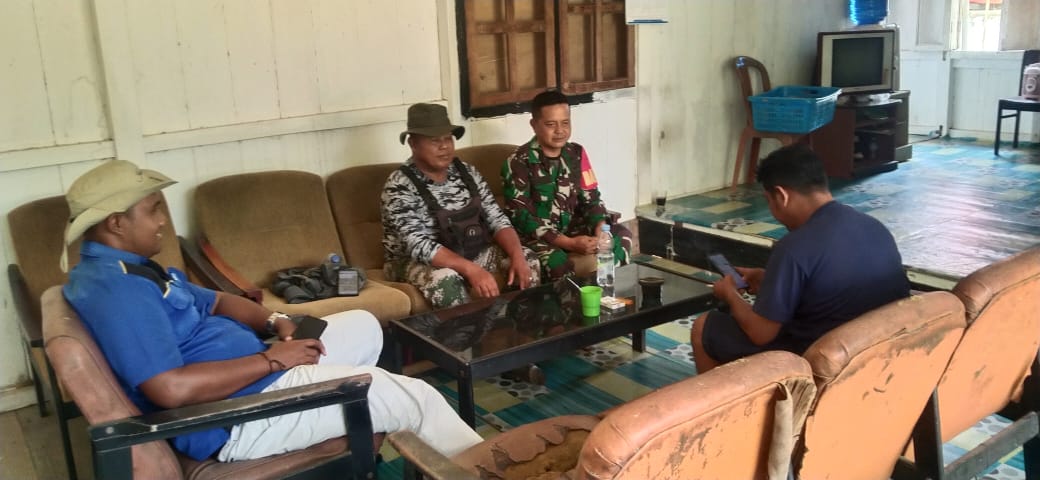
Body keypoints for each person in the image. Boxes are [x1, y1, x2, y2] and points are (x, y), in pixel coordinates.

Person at [61, 160, 482, 463]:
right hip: (239, 415)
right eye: (153, 209)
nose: (162, 222)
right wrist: (273, 361)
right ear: (116, 223)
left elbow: (217, 300)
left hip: (255, 374)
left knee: (365, 326)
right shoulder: (118, 291)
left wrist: (275, 321)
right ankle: (485, 467)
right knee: (417, 398)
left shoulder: (132, 270)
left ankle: (353, 431)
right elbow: (169, 390)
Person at [690, 144, 910, 373]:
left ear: (781, 196)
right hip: (878, 352)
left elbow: (760, 333)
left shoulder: (794, 247)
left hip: (817, 359)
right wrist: (769, 279)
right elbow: (835, 282)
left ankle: (723, 397)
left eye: (769, 201)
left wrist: (730, 294)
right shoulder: (876, 228)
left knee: (705, 326)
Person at [382, 103, 540, 309]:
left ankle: (519, 324)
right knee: (446, 280)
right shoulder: (399, 185)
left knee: (527, 259)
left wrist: (517, 256)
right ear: (413, 144)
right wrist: (471, 269)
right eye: (434, 140)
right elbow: (418, 245)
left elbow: (497, 219)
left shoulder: (467, 172)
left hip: (469, 249)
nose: (444, 146)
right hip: (412, 262)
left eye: (448, 138)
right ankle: (468, 331)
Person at [502, 90, 632, 280]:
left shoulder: (576, 153)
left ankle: (608, 290)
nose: (560, 131)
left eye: (565, 123)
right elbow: (522, 218)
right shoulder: (518, 162)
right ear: (534, 125)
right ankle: (571, 299)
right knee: (557, 262)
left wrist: (600, 229)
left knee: (621, 235)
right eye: (550, 124)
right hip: (538, 237)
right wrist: (569, 243)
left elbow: (591, 198)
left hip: (573, 228)